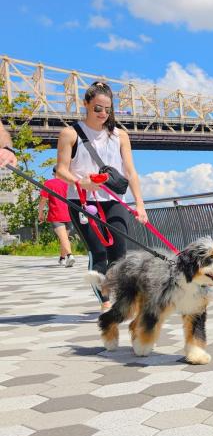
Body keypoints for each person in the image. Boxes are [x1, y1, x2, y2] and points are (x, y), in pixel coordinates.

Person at [55, 81, 148, 310]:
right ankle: (105, 303)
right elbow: (60, 170)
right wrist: (80, 182)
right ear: (85, 104)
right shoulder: (70, 133)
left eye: (108, 109)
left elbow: (130, 172)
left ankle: (122, 299)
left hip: (114, 200)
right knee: (98, 252)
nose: (103, 113)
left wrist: (140, 204)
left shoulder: (120, 135)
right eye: (97, 108)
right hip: (81, 200)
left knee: (119, 253)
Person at [38, 166, 76, 267]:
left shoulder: (49, 183)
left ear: (54, 173)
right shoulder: (70, 183)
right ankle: (62, 258)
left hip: (56, 214)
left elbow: (43, 199)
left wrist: (40, 213)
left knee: (63, 238)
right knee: (64, 238)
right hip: (70, 215)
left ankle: (70, 256)